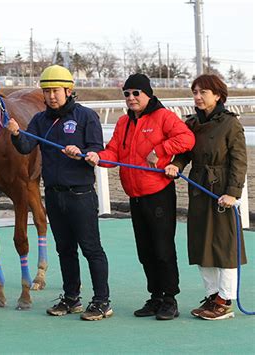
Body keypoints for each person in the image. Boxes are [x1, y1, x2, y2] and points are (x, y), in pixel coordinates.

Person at [6, 65, 112, 321]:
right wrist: (16, 134)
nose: (51, 96)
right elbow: (26, 146)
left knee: (91, 248)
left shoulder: (86, 117)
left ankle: (101, 301)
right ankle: (71, 297)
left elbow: (97, 151)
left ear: (69, 90)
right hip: (54, 195)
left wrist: (84, 154)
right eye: (47, 91)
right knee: (65, 249)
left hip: (81, 195)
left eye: (55, 90)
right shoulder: (41, 120)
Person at [86, 73, 195, 320]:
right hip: (134, 195)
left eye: (136, 93)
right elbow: (114, 151)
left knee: (162, 247)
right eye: (127, 93)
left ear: (148, 94)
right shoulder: (124, 123)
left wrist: (161, 150)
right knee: (145, 249)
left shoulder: (164, 117)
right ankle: (155, 296)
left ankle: (170, 298)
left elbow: (187, 139)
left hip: (158, 193)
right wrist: (98, 158)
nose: (131, 98)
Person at [165, 74, 247, 320]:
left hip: (221, 189)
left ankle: (225, 298)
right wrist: (176, 165)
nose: (198, 97)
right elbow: (184, 152)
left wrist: (232, 193)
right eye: (195, 92)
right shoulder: (191, 123)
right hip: (199, 188)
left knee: (224, 245)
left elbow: (239, 161)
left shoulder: (230, 124)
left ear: (218, 95)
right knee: (202, 242)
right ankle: (212, 295)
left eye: (203, 92)